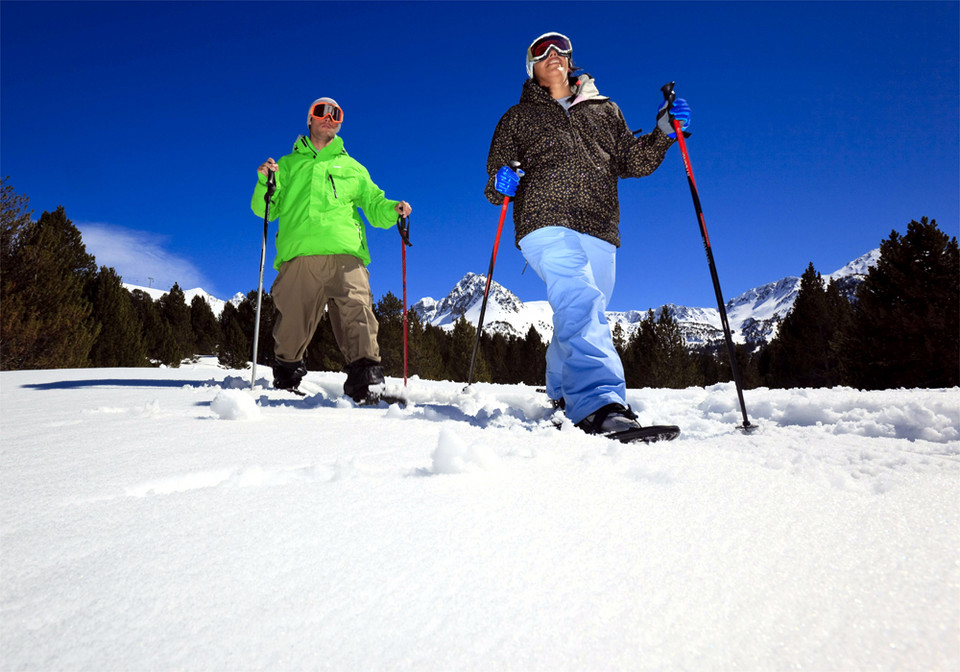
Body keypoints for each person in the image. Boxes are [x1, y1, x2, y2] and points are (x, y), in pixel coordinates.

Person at [484, 32, 691, 439]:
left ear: (571, 58)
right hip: (543, 221)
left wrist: (665, 131)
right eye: (540, 52)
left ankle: (561, 389)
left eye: (559, 48)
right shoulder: (517, 117)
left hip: (599, 226)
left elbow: (632, 160)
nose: (552, 55)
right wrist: (500, 180)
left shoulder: (604, 109)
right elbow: (494, 185)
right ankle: (599, 403)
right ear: (532, 67)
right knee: (579, 297)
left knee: (583, 308)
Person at [252, 97, 412, 402]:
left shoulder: (353, 168)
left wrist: (395, 209)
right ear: (309, 119)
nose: (328, 117)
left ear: (340, 122)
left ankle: (367, 385)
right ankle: (286, 379)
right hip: (299, 255)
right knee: (292, 321)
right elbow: (265, 210)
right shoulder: (284, 165)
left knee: (358, 313)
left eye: (335, 113)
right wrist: (265, 183)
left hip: (346, 255)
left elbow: (376, 207)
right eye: (320, 111)